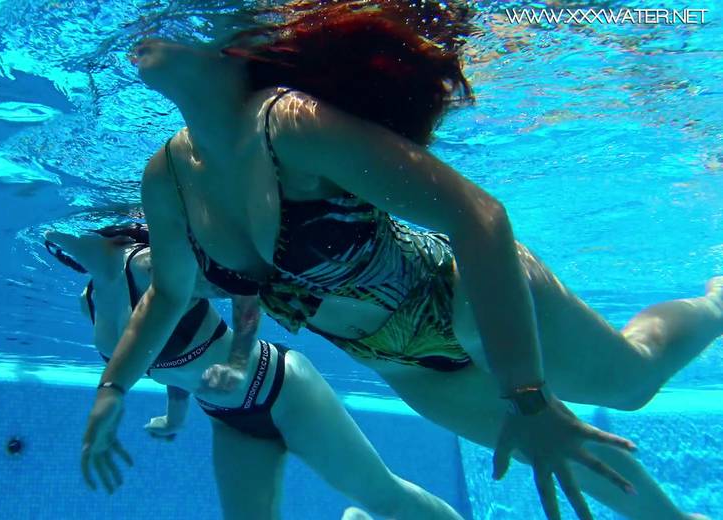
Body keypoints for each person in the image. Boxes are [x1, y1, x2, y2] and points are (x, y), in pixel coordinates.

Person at [80, 1, 721, 518]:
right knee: (552, 449)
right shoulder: (165, 175)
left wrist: (527, 393)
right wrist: (113, 388)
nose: (146, 19)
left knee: (630, 385)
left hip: (461, 296)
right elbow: (170, 293)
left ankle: (717, 301)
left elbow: (479, 217)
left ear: (237, 41)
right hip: (401, 364)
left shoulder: (289, 124)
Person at [45, 224, 464, 519]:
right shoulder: (89, 300)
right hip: (228, 417)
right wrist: (176, 417)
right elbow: (162, 361)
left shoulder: (150, 267)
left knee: (384, 497)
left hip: (282, 388)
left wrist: (237, 361)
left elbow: (245, 283)